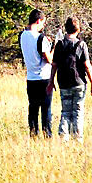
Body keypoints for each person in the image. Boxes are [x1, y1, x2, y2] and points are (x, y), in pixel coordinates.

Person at [49, 16, 92, 141]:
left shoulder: (59, 45)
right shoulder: (81, 44)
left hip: (63, 83)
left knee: (65, 111)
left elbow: (54, 65)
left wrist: (51, 82)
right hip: (79, 83)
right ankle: (77, 137)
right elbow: (87, 65)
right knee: (78, 111)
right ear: (78, 29)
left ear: (66, 29)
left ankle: (63, 136)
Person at [18, 8, 55, 138]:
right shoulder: (41, 38)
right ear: (39, 20)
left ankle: (33, 134)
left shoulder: (22, 35)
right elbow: (49, 59)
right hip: (44, 78)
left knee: (33, 109)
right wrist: (54, 47)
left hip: (31, 78)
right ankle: (47, 135)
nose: (43, 26)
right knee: (46, 109)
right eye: (43, 23)